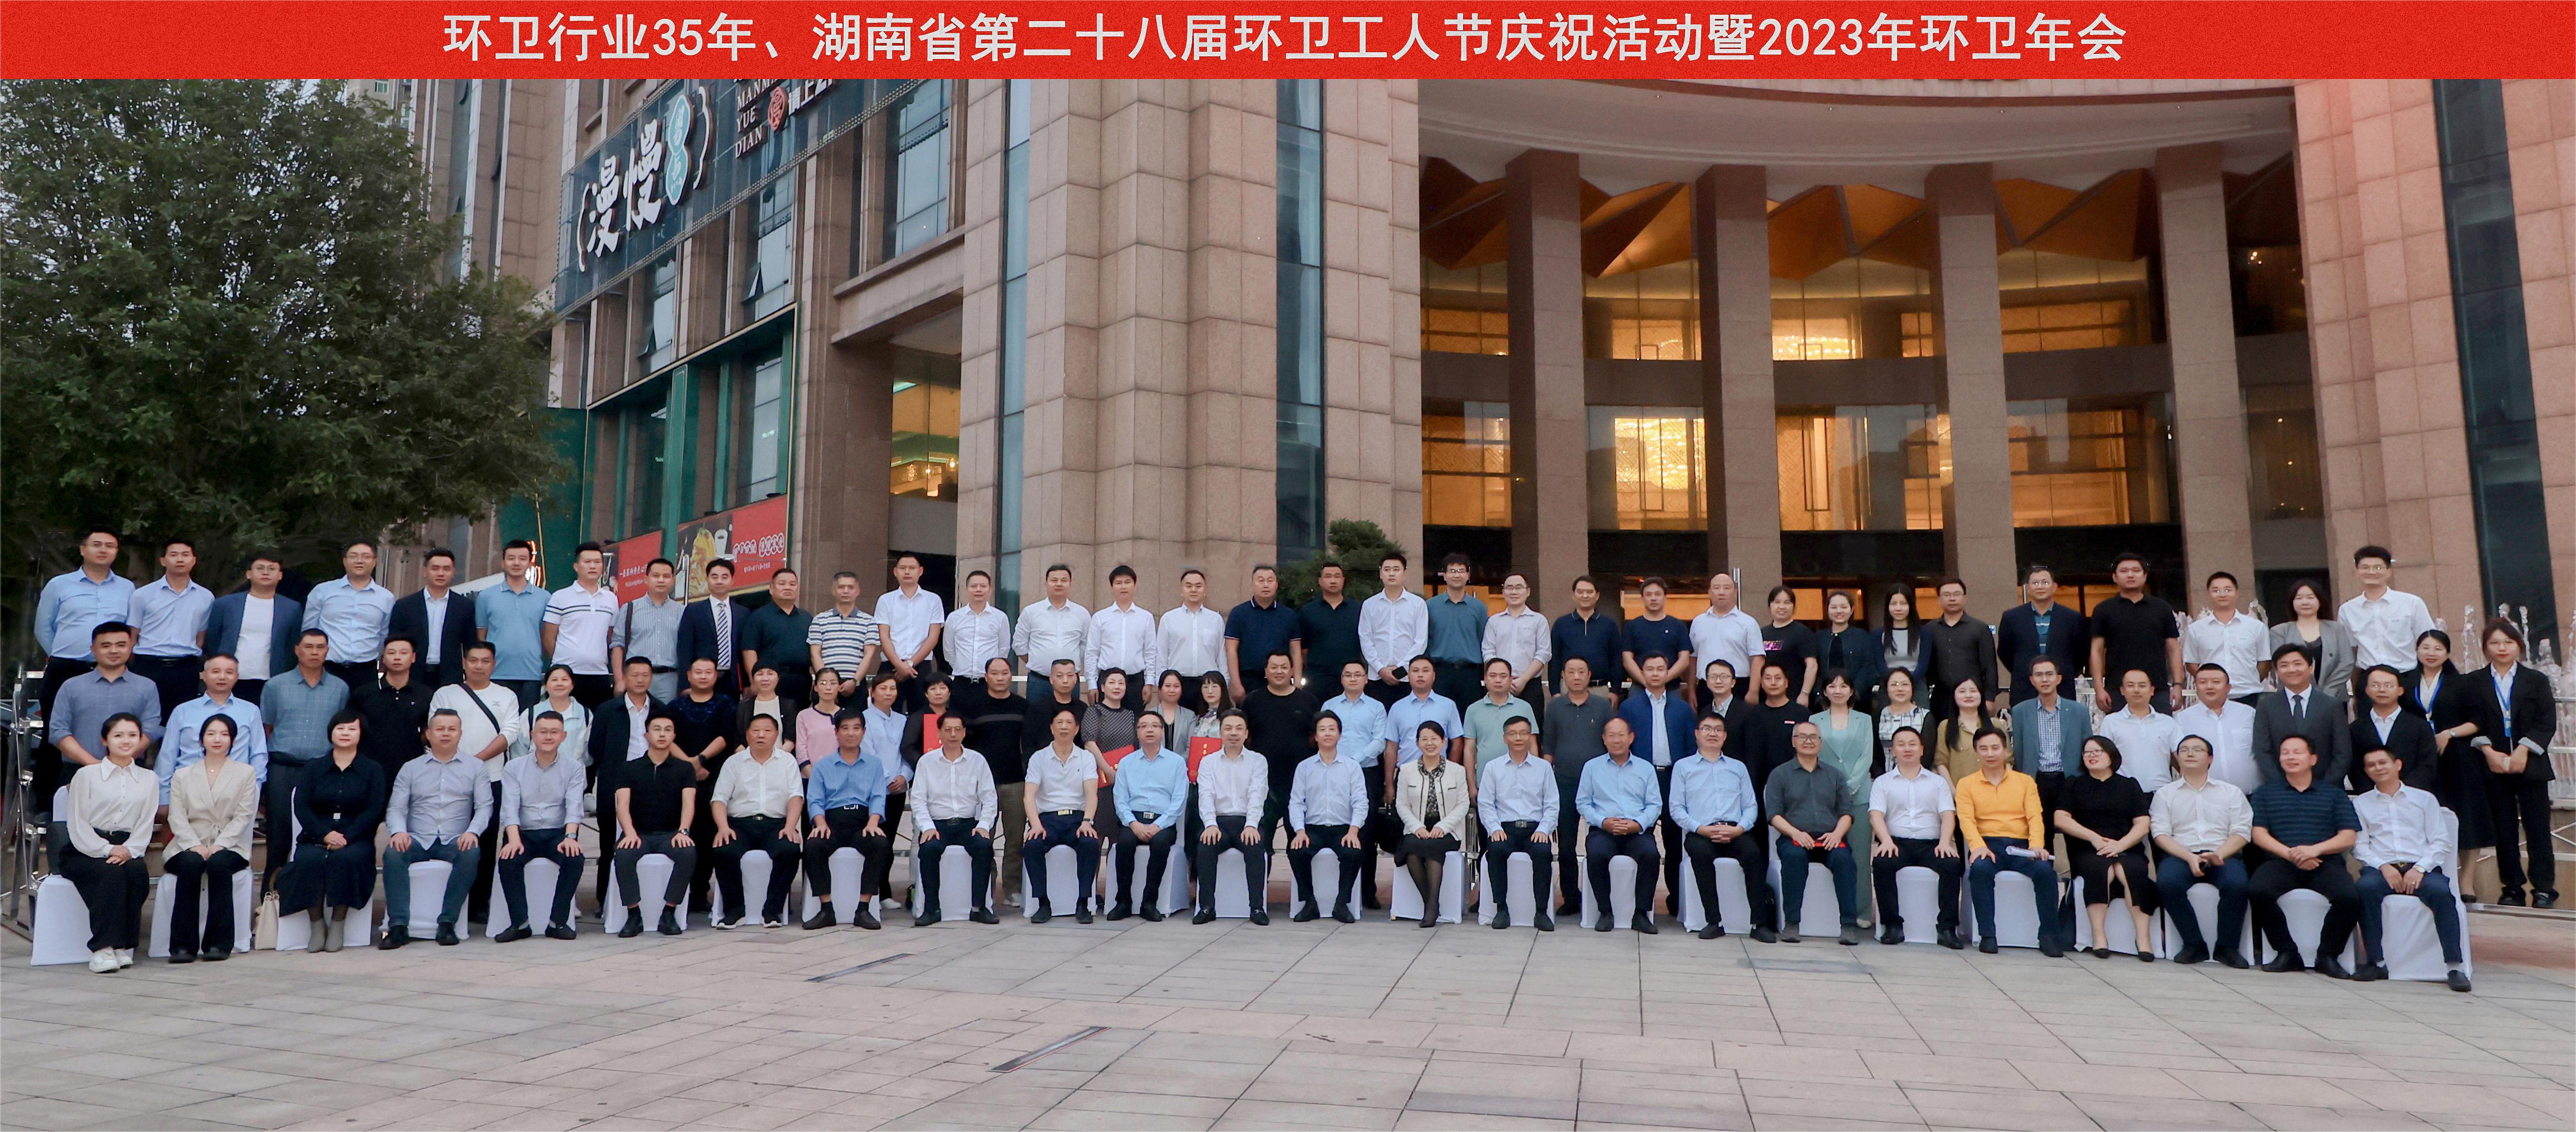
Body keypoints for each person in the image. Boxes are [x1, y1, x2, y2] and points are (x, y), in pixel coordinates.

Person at [2351, 746, 2470, 989]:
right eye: (2371, 765)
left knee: (2441, 893)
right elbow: (2360, 846)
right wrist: (2384, 866)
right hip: (2381, 868)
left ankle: (2454, 967)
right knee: (2364, 889)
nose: (2378, 768)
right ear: (2366, 771)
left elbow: (2441, 841)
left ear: (2398, 765)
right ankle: (2376, 962)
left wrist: (2421, 868)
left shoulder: (2424, 799)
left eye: (2383, 763)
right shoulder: (2361, 803)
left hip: (2421, 867)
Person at [2248, 735, 2362, 976]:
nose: (2291, 757)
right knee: (2258, 890)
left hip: (2325, 862)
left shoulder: (2333, 794)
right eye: (2285, 752)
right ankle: (2286, 952)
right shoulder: (2265, 793)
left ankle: (2328, 956)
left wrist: (2314, 850)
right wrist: (2292, 855)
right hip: (2281, 861)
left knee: (2349, 898)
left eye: (2297, 752)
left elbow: (2348, 836)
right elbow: (2259, 834)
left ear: (2313, 759)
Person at [378, 710, 491, 948]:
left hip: (455, 839)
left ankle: (447, 923)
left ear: (460, 734)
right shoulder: (410, 768)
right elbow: (396, 808)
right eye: (440, 729)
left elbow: (484, 807)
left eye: (452, 729)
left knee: (471, 853)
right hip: (417, 838)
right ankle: (398, 926)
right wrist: (399, 832)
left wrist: (473, 832)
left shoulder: (476, 767)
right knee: (393, 853)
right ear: (428, 734)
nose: (446, 734)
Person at [2466, 620, 2557, 908]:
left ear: (2518, 645)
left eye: (2508, 642)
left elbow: (2546, 722)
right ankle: (2512, 888)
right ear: (2485, 648)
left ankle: (2544, 888)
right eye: (2495, 643)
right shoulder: (2474, 682)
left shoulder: (2536, 680)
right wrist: (2489, 752)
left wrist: (2523, 750)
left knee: (2538, 829)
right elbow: (2471, 720)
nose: (2502, 648)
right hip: (2493, 765)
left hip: (2531, 765)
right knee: (2503, 830)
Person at [277, 711, 384, 951]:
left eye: (352, 729)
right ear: (331, 733)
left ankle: (338, 923)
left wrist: (347, 837)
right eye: (340, 728)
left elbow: (374, 809)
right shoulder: (314, 767)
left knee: (347, 859)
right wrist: (324, 834)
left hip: (355, 838)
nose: (345, 733)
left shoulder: (372, 769)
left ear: (361, 734)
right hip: (316, 835)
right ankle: (317, 924)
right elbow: (302, 806)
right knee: (309, 860)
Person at [430, 641, 520, 925]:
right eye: (473, 660)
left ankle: (480, 902)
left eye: (485, 661)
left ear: (494, 664)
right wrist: (460, 764)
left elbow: (510, 733)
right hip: (449, 778)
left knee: (486, 840)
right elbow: (436, 730)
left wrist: (475, 761)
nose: (479, 666)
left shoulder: (506, 696)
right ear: (464, 663)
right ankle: (449, 901)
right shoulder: (446, 693)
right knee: (450, 836)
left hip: (491, 777)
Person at [60, 713, 156, 971]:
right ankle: (102, 948)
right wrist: (107, 849)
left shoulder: (149, 779)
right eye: (118, 735)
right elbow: (78, 823)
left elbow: (146, 823)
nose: (126, 741)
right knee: (110, 874)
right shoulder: (86, 775)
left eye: (132, 735)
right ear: (105, 740)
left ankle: (121, 945)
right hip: (84, 847)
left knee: (137, 873)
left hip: (127, 846)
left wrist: (130, 850)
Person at [1957, 727, 2065, 956]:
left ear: (2006, 751)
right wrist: (1978, 847)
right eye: (1984, 749)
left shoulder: (2025, 782)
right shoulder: (1966, 784)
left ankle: (2049, 936)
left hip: (2021, 846)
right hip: (1988, 844)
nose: (1990, 754)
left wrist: (2037, 845)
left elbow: (2035, 816)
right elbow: (1966, 820)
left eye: (1995, 748)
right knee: (1980, 870)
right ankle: (1988, 935)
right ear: (1977, 752)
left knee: (2046, 873)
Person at [2150, 734, 2253, 968]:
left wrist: (2220, 855)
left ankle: (2227, 948)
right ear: (2177, 758)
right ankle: (2193, 945)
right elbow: (2160, 834)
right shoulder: (2165, 794)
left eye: (2197, 750)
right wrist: (2189, 857)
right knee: (2168, 883)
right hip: (2181, 855)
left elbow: (2242, 832)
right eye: (2184, 750)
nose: (2190, 754)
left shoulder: (2231, 792)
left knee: (2237, 884)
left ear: (2210, 759)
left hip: (2223, 854)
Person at [162, 713, 257, 963]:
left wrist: (220, 845)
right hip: (187, 843)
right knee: (191, 864)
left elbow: (244, 816)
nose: (217, 739)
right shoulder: (183, 775)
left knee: (219, 864)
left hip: (230, 844)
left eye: (224, 734)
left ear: (233, 740)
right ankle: (182, 947)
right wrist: (194, 844)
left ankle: (218, 944)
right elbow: (176, 816)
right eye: (211, 734)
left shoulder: (246, 773)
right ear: (202, 738)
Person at [1673, 715, 1778, 942]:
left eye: (1718, 730)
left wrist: (1740, 829)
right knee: (1701, 854)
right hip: (1701, 832)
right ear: (1697, 734)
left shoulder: (1738, 767)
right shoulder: (1683, 767)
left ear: (1725, 736)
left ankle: (1759, 923)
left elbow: (1751, 806)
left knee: (1753, 855)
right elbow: (1677, 808)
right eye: (1707, 729)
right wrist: (1701, 829)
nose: (1713, 734)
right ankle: (1714, 922)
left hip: (1735, 831)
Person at [2055, 736, 2159, 961]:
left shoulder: (2129, 785)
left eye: (2098, 751)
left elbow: (2143, 823)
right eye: (2087, 752)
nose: (2091, 756)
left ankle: (2143, 938)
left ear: (2111, 756)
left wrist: (2121, 844)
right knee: (2101, 868)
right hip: (2087, 848)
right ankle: (2099, 935)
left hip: (2126, 846)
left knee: (2132, 869)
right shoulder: (2074, 784)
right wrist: (2094, 838)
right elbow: (2061, 819)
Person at [258, 631, 346, 888]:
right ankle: (271, 899)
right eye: (309, 647)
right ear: (297, 650)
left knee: (320, 832)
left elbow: (341, 729)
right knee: (279, 835)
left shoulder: (340, 688)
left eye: (320, 647)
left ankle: (313, 897)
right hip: (283, 768)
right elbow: (268, 726)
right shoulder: (275, 686)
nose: (314, 652)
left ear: (328, 651)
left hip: (322, 769)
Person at [494, 711, 588, 942]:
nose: (548, 737)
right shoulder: (514, 767)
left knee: (575, 859)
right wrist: (513, 840)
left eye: (554, 732)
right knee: (508, 861)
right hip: (523, 834)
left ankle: (558, 922)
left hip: (558, 833)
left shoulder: (574, 768)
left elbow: (574, 806)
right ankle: (520, 924)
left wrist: (570, 837)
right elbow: (510, 808)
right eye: (543, 732)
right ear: (533, 735)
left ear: (563, 736)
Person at [1767, 721, 1864, 944]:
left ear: (1820, 743)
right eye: (1802, 736)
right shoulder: (1780, 774)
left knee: (1845, 861)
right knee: (1794, 858)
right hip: (1795, 837)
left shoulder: (1835, 775)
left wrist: (1837, 835)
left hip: (1830, 838)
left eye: (1813, 737)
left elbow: (1846, 813)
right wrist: (1796, 834)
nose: (1808, 741)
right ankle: (1792, 923)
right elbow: (1774, 815)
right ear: (1793, 742)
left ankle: (1848, 925)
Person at [1868, 726, 1963, 948]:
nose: (1907, 749)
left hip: (1932, 844)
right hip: (1896, 842)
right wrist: (1886, 841)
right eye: (1901, 745)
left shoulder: (1937, 782)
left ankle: (1947, 929)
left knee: (1951, 865)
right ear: (1893, 751)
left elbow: (1948, 815)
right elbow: (1876, 815)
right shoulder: (1882, 782)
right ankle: (1892, 926)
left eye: (1912, 744)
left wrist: (1945, 842)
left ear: (1922, 749)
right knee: (1882, 863)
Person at [708, 715, 805, 929]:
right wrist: (723, 828)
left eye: (767, 731)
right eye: (756, 731)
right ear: (747, 735)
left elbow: (796, 796)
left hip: (776, 824)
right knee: (724, 851)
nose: (761, 735)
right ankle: (735, 910)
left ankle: (772, 910)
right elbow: (719, 799)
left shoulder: (787, 761)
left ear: (776, 735)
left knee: (789, 851)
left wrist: (791, 827)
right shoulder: (734, 762)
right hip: (739, 824)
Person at [2402, 629, 2491, 864]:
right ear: (2417, 650)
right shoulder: (2405, 682)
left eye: (2438, 649)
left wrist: (2449, 734)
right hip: (2419, 757)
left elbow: (2478, 721)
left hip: (2457, 757)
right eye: (2425, 648)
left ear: (2448, 653)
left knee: (2466, 819)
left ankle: (2467, 879)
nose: (2431, 653)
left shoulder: (2462, 683)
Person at [801, 708, 891, 930]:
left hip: (862, 822)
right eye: (845, 729)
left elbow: (878, 796)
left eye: (856, 728)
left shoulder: (874, 764)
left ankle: (864, 909)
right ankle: (826, 909)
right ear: (836, 732)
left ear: (864, 732)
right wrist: (820, 823)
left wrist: (873, 822)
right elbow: (815, 798)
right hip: (832, 822)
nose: (851, 733)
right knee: (813, 846)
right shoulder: (823, 765)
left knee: (880, 844)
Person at [613, 711, 701, 937]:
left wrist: (683, 831)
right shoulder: (628, 768)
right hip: (639, 833)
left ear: (674, 736)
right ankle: (634, 915)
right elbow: (622, 805)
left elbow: (689, 804)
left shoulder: (685, 769)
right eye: (657, 729)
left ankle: (669, 912)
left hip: (670, 833)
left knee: (688, 853)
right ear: (646, 735)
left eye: (668, 730)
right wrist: (629, 833)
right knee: (623, 855)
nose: (662, 734)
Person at [1618, 654, 1695, 911]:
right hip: (1641, 779)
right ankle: (1640, 901)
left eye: (1660, 669)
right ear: (1641, 673)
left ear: (1668, 673)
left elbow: (1690, 747)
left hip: (1674, 778)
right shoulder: (1630, 707)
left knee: (1674, 842)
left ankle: (1676, 900)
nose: (1655, 674)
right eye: (1649, 669)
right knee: (1641, 840)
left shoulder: (1682, 708)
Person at [35, 528, 135, 725]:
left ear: (117, 552)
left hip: (111, 669)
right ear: (82, 550)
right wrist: (59, 655)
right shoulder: (58, 585)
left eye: (110, 546)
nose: (103, 550)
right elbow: (43, 628)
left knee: (110, 729)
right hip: (66, 668)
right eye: (96, 545)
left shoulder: (128, 588)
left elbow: (130, 628)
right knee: (57, 729)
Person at [1539, 656, 1614, 917]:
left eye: (1582, 672)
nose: (1576, 677)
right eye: (1571, 672)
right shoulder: (1555, 707)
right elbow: (1549, 744)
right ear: (1563, 676)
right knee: (1566, 844)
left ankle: (1600, 896)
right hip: (1565, 781)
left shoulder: (1603, 706)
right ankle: (1571, 897)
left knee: (1599, 841)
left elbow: (1611, 743)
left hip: (1598, 784)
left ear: (1589, 674)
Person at [910, 714, 1002, 925]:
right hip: (938, 825)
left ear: (964, 732)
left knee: (984, 847)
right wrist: (927, 827)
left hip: (968, 824)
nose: (953, 734)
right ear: (938, 733)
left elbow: (990, 797)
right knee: (929, 849)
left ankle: (979, 908)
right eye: (948, 729)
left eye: (958, 729)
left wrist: (984, 825)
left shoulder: (977, 760)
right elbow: (918, 800)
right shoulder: (926, 762)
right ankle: (932, 909)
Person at [1577, 718, 1663, 934]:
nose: (1616, 740)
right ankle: (1605, 912)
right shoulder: (1592, 767)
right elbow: (1583, 803)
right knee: (1596, 855)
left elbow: (1655, 805)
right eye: (1611, 736)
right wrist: (1603, 822)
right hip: (1604, 830)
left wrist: (1638, 824)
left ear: (1631, 738)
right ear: (1604, 739)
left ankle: (1641, 914)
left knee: (1651, 855)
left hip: (1636, 831)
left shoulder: (1646, 768)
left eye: (1621, 735)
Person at [668, 655, 741, 907]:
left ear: (715, 676)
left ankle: (702, 892)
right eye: (698, 672)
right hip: (682, 777)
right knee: (687, 832)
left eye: (708, 672)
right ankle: (683, 891)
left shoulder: (725, 704)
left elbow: (726, 736)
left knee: (710, 833)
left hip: (715, 775)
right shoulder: (676, 706)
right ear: (688, 676)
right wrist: (690, 765)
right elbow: (669, 737)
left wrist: (701, 759)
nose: (703, 676)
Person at [1317, 661, 1390, 909]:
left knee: (1366, 833)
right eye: (1348, 674)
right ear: (1342, 679)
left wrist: (1354, 761)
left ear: (1366, 679)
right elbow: (1323, 736)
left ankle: (1368, 891)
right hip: (1332, 770)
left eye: (1358, 675)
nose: (1353, 678)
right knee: (1337, 824)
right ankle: (1337, 890)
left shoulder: (1376, 707)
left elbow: (1380, 740)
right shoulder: (1330, 706)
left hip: (1366, 771)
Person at [589, 657, 661, 906]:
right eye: (635, 675)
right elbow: (596, 747)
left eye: (645, 675)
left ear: (651, 678)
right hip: (615, 783)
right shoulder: (607, 710)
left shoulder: (661, 710)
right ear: (625, 678)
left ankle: (648, 900)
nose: (640, 680)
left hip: (652, 784)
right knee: (609, 845)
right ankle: (605, 900)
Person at [1476, 716, 1558, 931]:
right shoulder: (1493, 767)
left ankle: (1541, 912)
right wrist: (1494, 828)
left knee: (1543, 853)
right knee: (1496, 850)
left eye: (1523, 733)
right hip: (1505, 828)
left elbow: (1552, 804)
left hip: (1535, 828)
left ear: (1531, 736)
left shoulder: (1543, 768)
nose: (1519, 738)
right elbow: (1485, 803)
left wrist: (1544, 829)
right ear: (1505, 738)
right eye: (1513, 734)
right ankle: (1502, 909)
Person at [1291, 713, 1372, 924]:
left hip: (1343, 828)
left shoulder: (1352, 767)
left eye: (1332, 729)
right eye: (1322, 729)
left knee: (1354, 853)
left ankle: (1341, 904)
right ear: (1316, 736)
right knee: (1297, 851)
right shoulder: (1304, 767)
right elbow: (1296, 802)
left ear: (1339, 735)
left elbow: (1361, 801)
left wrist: (1354, 830)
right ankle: (1309, 903)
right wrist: (1300, 831)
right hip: (1313, 828)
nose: (1327, 733)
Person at [1023, 707, 1102, 923]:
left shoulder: (1086, 758)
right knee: (1032, 846)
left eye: (1069, 723)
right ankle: (1043, 903)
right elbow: (1029, 796)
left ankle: (1083, 903)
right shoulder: (1039, 758)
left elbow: (1091, 794)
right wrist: (1035, 825)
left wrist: (1087, 821)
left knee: (1090, 844)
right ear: (1052, 728)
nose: (1064, 727)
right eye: (1060, 723)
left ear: (1077, 729)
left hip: (1078, 818)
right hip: (1047, 820)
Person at [157, 654, 269, 807]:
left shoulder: (250, 711)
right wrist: (164, 797)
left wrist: (255, 790)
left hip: (236, 792)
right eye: (216, 671)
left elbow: (258, 753)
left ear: (237, 677)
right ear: (203, 675)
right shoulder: (183, 711)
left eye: (229, 672)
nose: (222, 677)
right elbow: (168, 755)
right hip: (188, 790)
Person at [1194, 710, 1272, 925]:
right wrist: (1210, 824)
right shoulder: (1208, 762)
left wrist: (1252, 825)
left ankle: (1257, 908)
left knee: (1255, 847)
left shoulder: (1258, 761)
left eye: (1239, 728)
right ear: (1221, 733)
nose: (1233, 733)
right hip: (1218, 822)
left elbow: (1258, 795)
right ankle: (1207, 907)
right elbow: (1206, 796)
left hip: (1247, 821)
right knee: (1205, 846)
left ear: (1246, 733)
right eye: (1228, 728)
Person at [962, 658, 1031, 901]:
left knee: (1015, 841)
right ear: (986, 676)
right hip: (983, 785)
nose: (1000, 678)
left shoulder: (1023, 706)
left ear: (1011, 675)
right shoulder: (973, 706)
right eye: (995, 673)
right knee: (984, 840)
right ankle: (986, 889)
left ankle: (1013, 888)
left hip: (1016, 781)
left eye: (1004, 673)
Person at [1811, 671, 1877, 920]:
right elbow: (1813, 754)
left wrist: (1850, 788)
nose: (1838, 690)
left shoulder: (1864, 720)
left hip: (1860, 796)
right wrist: (1835, 791)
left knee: (1860, 856)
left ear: (1851, 691)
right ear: (1825, 691)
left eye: (1843, 686)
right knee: (1831, 852)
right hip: (1825, 795)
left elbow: (1866, 756)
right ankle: (1830, 912)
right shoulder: (1815, 719)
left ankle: (1862, 911)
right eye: (1832, 686)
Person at [1109, 711, 1187, 922]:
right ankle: (1123, 902)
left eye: (1154, 726)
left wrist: (1159, 825)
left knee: (1160, 844)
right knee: (1125, 843)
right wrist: (1133, 824)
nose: (1149, 730)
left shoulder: (1177, 762)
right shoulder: (1126, 762)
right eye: (1144, 726)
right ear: (1137, 733)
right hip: (1133, 819)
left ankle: (1149, 903)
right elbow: (1120, 799)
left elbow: (1179, 800)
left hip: (1164, 821)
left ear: (1162, 732)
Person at [1392, 720, 1468, 929]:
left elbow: (1463, 804)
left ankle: (1431, 906)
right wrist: (1417, 827)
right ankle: (1432, 904)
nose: (1430, 743)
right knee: (1413, 852)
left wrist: (1443, 827)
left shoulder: (1457, 771)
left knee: (1428, 849)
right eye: (1424, 739)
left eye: (1434, 739)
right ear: (1417, 743)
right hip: (1417, 827)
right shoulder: (1406, 770)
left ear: (1444, 742)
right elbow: (1401, 804)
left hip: (1448, 831)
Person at [126, 538, 212, 715]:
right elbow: (133, 636)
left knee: (181, 717)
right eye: (174, 555)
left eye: (185, 555)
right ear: (163, 561)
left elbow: (200, 637)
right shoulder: (142, 595)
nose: (180, 559)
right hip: (147, 665)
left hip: (185, 667)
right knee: (142, 717)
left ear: (194, 560)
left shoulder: (206, 597)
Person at [2087, 553, 2183, 712]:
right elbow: (2097, 651)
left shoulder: (2162, 608)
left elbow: (2173, 649)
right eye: (2124, 571)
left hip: (2157, 688)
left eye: (2136, 571)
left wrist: (2178, 685)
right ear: (2115, 577)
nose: (2130, 575)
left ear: (2145, 576)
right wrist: (2099, 688)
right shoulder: (2104, 609)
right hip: (2117, 689)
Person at [203, 552, 301, 704]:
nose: (266, 573)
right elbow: (212, 639)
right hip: (231, 678)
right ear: (248, 574)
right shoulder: (225, 604)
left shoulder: (291, 608)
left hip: (272, 679)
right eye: (260, 568)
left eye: (272, 569)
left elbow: (292, 644)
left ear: (280, 575)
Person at [2253, 642, 2351, 788]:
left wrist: (2325, 787)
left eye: (2297, 664)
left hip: (2326, 789)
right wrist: (2281, 786)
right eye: (2284, 665)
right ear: (2276, 671)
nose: (2292, 670)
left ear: (2311, 668)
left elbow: (2343, 752)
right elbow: (2262, 750)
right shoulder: (2266, 705)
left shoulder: (2331, 705)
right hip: (2281, 790)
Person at [303, 540, 395, 690]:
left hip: (366, 670)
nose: (359, 561)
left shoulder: (386, 598)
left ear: (375, 562)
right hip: (327, 668)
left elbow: (384, 635)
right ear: (345, 561)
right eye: (353, 556)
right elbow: (309, 630)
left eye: (366, 557)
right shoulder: (322, 591)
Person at [2008, 656, 2090, 820]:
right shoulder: (2020, 711)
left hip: (2070, 779)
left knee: (2073, 828)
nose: (2045, 680)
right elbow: (2019, 750)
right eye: (2039, 675)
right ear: (2032, 680)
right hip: (2036, 780)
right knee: (2040, 830)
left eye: (2049, 674)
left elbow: (2087, 746)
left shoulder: (2078, 711)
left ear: (2058, 679)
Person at [2337, 545, 2436, 676]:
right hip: (2368, 676)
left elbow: (2428, 639)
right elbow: (2349, 648)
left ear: (2389, 572)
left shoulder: (2412, 603)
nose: (2371, 572)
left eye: (2378, 568)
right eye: (2365, 568)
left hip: (2407, 675)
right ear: (2357, 572)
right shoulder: (2348, 610)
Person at [543, 542, 621, 705]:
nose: (593, 566)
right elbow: (549, 637)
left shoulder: (611, 599)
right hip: (567, 675)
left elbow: (611, 636)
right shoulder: (560, 597)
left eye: (597, 562)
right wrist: (562, 662)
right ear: (576, 567)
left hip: (599, 674)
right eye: (587, 562)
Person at [1997, 565, 2086, 706]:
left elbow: (2081, 653)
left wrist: (2059, 671)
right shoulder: (2012, 617)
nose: (2040, 587)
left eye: (2045, 582)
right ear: (2028, 587)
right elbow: (2005, 652)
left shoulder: (2072, 618)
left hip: (2062, 688)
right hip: (2024, 689)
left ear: (2055, 587)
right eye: (2035, 583)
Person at [476, 540, 550, 708]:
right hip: (495, 673)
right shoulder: (486, 597)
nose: (516, 563)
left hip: (531, 674)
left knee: (526, 721)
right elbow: (481, 637)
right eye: (511, 558)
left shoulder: (544, 597)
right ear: (503, 563)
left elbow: (545, 637)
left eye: (522, 559)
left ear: (530, 563)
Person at [390, 548, 476, 690]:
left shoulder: (465, 606)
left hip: (450, 676)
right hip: (412, 674)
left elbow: (470, 644)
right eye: (435, 568)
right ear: (425, 571)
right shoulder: (405, 605)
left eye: (446, 569)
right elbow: (394, 641)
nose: (441, 573)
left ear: (453, 572)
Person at [1917, 577, 1998, 721]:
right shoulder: (1929, 630)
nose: (1952, 599)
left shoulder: (1979, 628)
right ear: (1939, 600)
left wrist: (1990, 698)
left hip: (1972, 697)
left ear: (1965, 598)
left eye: (1957, 594)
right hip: (1941, 697)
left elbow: (1990, 665)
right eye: (1947, 595)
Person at [2183, 572, 2270, 705]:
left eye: (2228, 590)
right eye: (2216, 590)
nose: (2222, 594)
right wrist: (2209, 682)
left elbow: (2264, 661)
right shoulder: (2196, 629)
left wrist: (2251, 680)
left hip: (2249, 695)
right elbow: (2191, 663)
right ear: (2208, 594)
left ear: (2237, 593)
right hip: (2212, 696)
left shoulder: (2256, 627)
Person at [2174, 664, 2261, 793]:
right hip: (2203, 795)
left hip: (2250, 794)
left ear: (2228, 688)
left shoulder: (2249, 714)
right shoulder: (2182, 719)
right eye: (2203, 682)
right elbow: (2177, 758)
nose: (2210, 687)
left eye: (2216, 682)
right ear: (2196, 686)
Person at [874, 555, 947, 710]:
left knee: (922, 714)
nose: (907, 572)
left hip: (921, 666)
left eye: (912, 568)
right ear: (895, 572)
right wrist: (899, 665)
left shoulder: (933, 600)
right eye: (903, 568)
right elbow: (884, 636)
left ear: (920, 571)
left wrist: (910, 664)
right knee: (886, 712)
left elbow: (933, 637)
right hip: (891, 666)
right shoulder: (885, 600)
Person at [2352, 665, 2441, 792]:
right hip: (2370, 797)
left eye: (2389, 686)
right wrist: (2373, 793)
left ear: (2400, 691)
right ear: (2367, 690)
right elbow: (2354, 767)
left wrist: (2401, 792)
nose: (2382, 690)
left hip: (2413, 796)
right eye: (2376, 685)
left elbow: (2427, 765)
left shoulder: (2420, 726)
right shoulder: (2355, 729)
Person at [1382, 655, 1465, 790]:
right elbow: (1391, 747)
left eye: (1425, 671)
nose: (1420, 675)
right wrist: (1389, 784)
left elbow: (1457, 742)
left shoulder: (1448, 705)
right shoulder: (1397, 708)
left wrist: (1449, 772)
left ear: (1434, 676)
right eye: (1415, 671)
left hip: (1440, 776)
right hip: (1405, 776)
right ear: (1409, 676)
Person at [354, 639, 434, 779]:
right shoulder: (364, 693)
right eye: (391, 653)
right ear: (383, 658)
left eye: (403, 653)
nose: (397, 657)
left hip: (411, 768)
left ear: (413, 657)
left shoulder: (425, 694)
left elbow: (427, 731)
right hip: (370, 769)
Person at [1359, 552, 1430, 706]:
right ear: (1381, 574)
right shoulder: (1369, 605)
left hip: (1407, 677)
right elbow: (1365, 639)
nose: (1391, 574)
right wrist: (1380, 669)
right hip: (1377, 677)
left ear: (1405, 573)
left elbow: (1420, 642)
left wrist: (1401, 669)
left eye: (1396, 569)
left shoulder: (1418, 604)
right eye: (1387, 570)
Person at [2095, 669, 2183, 792]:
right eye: (2130, 686)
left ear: (2152, 690)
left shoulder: (2168, 722)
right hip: (2123, 793)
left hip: (2162, 793)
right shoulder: (2111, 722)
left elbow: (2182, 757)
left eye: (2142, 686)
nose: (2136, 690)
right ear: (2122, 690)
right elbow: (2104, 759)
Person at [613, 557, 686, 702]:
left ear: (673, 580)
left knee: (665, 716)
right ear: (646, 579)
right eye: (656, 576)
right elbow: (617, 645)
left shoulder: (682, 612)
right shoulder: (630, 609)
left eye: (666, 576)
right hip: (636, 677)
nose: (661, 580)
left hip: (669, 679)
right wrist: (619, 680)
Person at [2268, 579, 2356, 697]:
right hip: (2295, 697)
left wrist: (2329, 692)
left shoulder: (2336, 629)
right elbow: (2279, 665)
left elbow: (2347, 662)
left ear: (2320, 601)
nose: (2305, 602)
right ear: (2292, 602)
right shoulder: (2279, 632)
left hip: (2335, 697)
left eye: (2310, 598)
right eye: (2299, 598)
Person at [1086, 563, 1160, 701]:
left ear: (1135, 586)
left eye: (1128, 582)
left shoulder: (1146, 617)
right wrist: (1091, 684)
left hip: (1135, 681)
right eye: (1119, 583)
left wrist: (1149, 682)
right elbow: (1092, 652)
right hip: (1107, 680)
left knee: (1135, 715)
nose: (1123, 587)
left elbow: (1150, 652)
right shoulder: (1100, 617)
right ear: (1112, 587)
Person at [1420, 556, 1488, 707]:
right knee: (1439, 715)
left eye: (1461, 571)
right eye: (1452, 571)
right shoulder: (1430, 606)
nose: (1457, 575)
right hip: (1440, 672)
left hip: (1470, 674)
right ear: (1445, 575)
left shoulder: (1479, 608)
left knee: (1469, 716)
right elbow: (1426, 640)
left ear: (1468, 575)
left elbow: (1483, 639)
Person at [1689, 572, 1765, 705]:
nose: (1721, 592)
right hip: (1706, 688)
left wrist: (1753, 691)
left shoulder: (1748, 623)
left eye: (1727, 588)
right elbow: (1693, 659)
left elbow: (1758, 658)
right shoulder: (1698, 622)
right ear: (1709, 592)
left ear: (1735, 592)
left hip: (1739, 687)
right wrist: (1691, 690)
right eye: (1716, 588)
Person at [741, 567, 815, 704]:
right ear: (771, 589)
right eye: (782, 584)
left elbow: (815, 651)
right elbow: (749, 650)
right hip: (770, 681)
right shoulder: (758, 616)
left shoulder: (807, 618)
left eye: (792, 584)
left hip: (802, 681)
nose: (788, 587)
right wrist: (754, 680)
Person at [1016, 563, 1090, 695]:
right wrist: (1038, 661)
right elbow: (1019, 645)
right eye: (1054, 580)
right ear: (1046, 584)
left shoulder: (1082, 613)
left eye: (1064, 580)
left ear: (1070, 584)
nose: (1059, 584)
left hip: (1070, 682)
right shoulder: (1030, 612)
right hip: (1039, 682)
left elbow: (1086, 645)